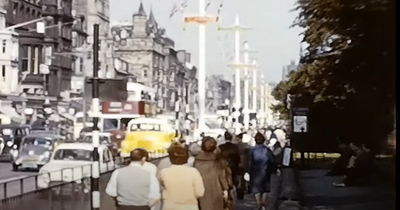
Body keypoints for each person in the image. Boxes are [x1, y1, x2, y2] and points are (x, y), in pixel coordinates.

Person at [158, 144, 205, 210]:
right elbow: (199, 193)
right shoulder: (193, 172)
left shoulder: (163, 172)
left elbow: (159, 188)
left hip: (169, 205)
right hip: (189, 206)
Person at [194, 136, 230, 210]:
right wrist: (226, 189)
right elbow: (222, 177)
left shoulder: (197, 161)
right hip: (216, 191)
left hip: (201, 192)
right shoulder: (218, 161)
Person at [248, 132, 276, 210]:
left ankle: (258, 202)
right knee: (265, 188)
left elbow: (249, 162)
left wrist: (248, 171)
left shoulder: (252, 150)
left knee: (256, 189)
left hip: (255, 172)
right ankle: (263, 203)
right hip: (265, 171)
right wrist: (274, 169)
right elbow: (272, 161)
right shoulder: (267, 150)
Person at [235, 133, 251, 199]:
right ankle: (244, 188)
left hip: (238, 164)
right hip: (245, 163)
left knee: (239, 178)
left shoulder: (236, 146)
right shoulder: (248, 146)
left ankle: (239, 190)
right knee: (244, 178)